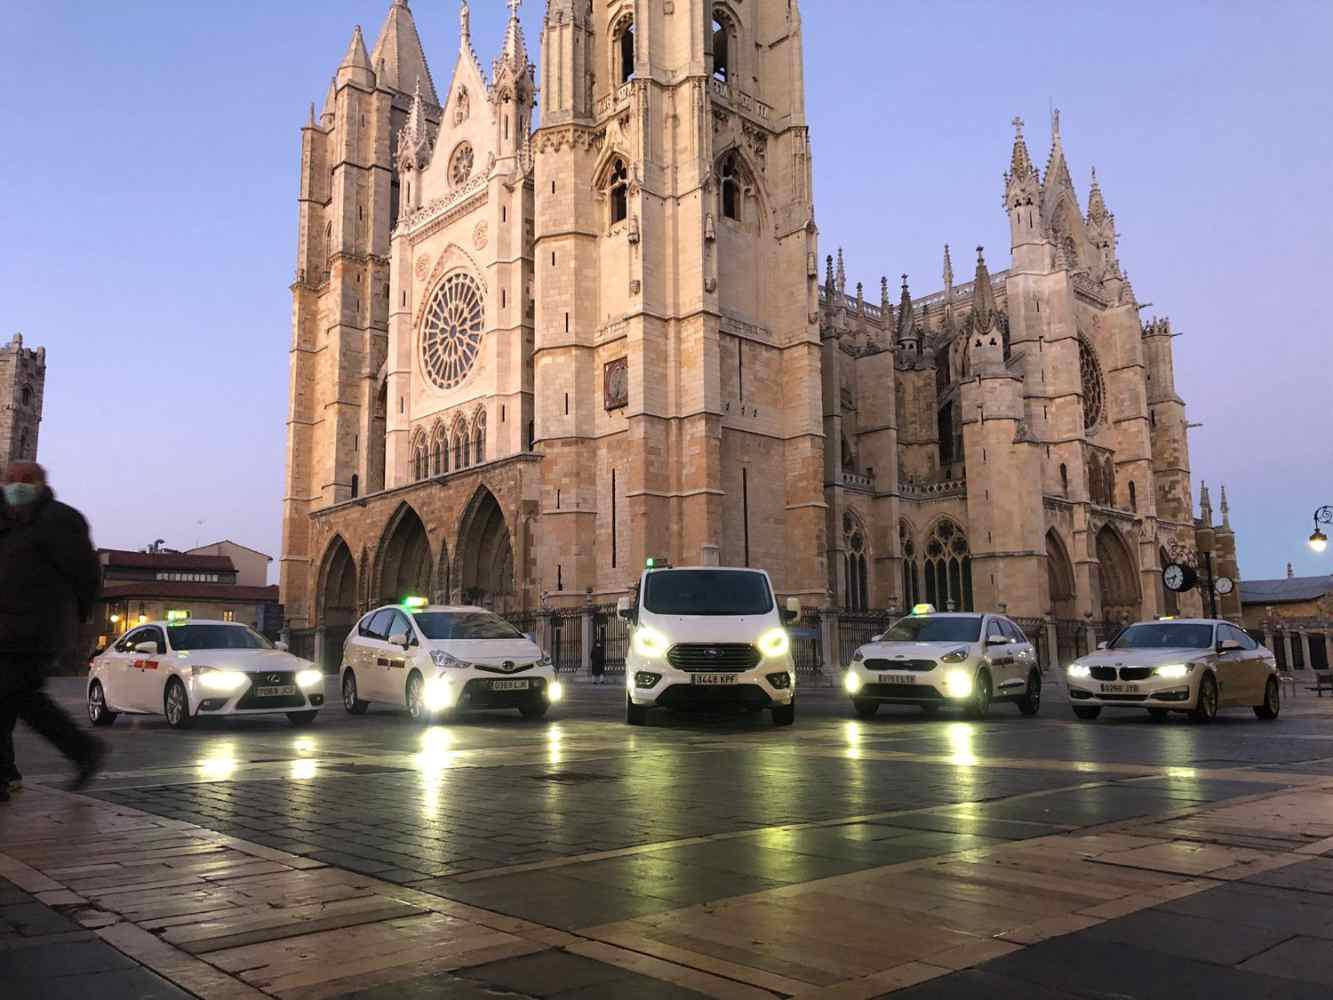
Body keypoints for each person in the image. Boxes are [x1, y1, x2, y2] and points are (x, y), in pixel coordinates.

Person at [0, 461, 105, 803]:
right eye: (10, 480)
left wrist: (80, 617)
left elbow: (86, 574)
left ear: (41, 483)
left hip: (37, 630)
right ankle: (79, 752)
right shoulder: (6, 520)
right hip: (5, 630)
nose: (17, 485)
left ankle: (83, 750)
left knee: (20, 696)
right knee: (17, 700)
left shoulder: (61, 519)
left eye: (25, 480)